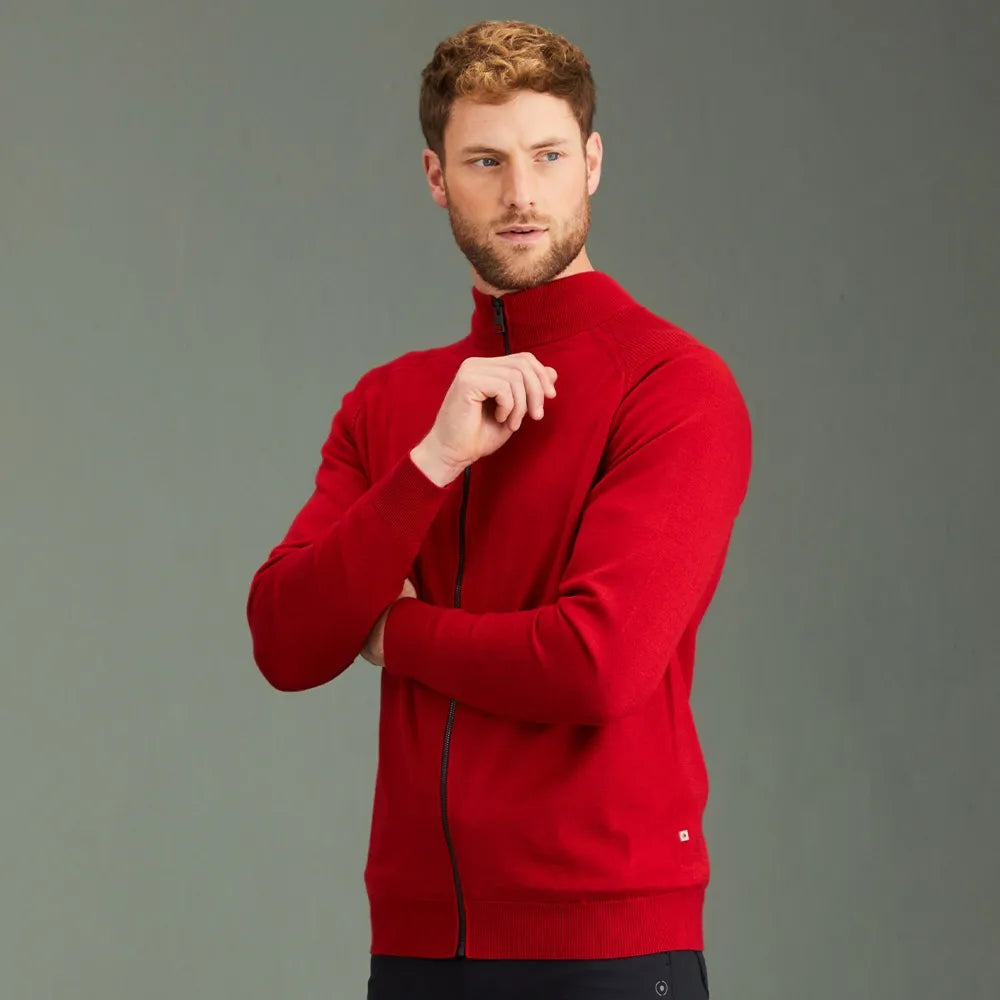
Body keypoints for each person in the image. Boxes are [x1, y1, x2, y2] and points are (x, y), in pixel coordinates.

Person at [246, 18, 751, 1000]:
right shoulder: (391, 405)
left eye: (547, 156)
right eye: (486, 161)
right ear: (436, 177)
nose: (521, 194)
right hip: (417, 949)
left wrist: (395, 631)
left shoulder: (674, 387)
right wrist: (431, 463)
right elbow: (284, 640)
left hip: (607, 949)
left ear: (591, 163)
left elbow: (596, 663)